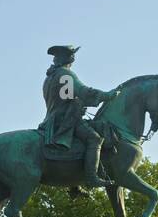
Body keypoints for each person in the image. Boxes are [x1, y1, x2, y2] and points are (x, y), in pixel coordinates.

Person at [38, 45, 118, 189]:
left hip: (53, 119)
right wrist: (107, 96)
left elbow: (67, 97)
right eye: (72, 56)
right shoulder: (65, 75)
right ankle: (92, 178)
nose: (73, 59)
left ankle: (74, 186)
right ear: (68, 58)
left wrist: (77, 103)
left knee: (76, 144)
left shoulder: (51, 77)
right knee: (94, 139)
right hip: (66, 120)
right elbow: (84, 92)